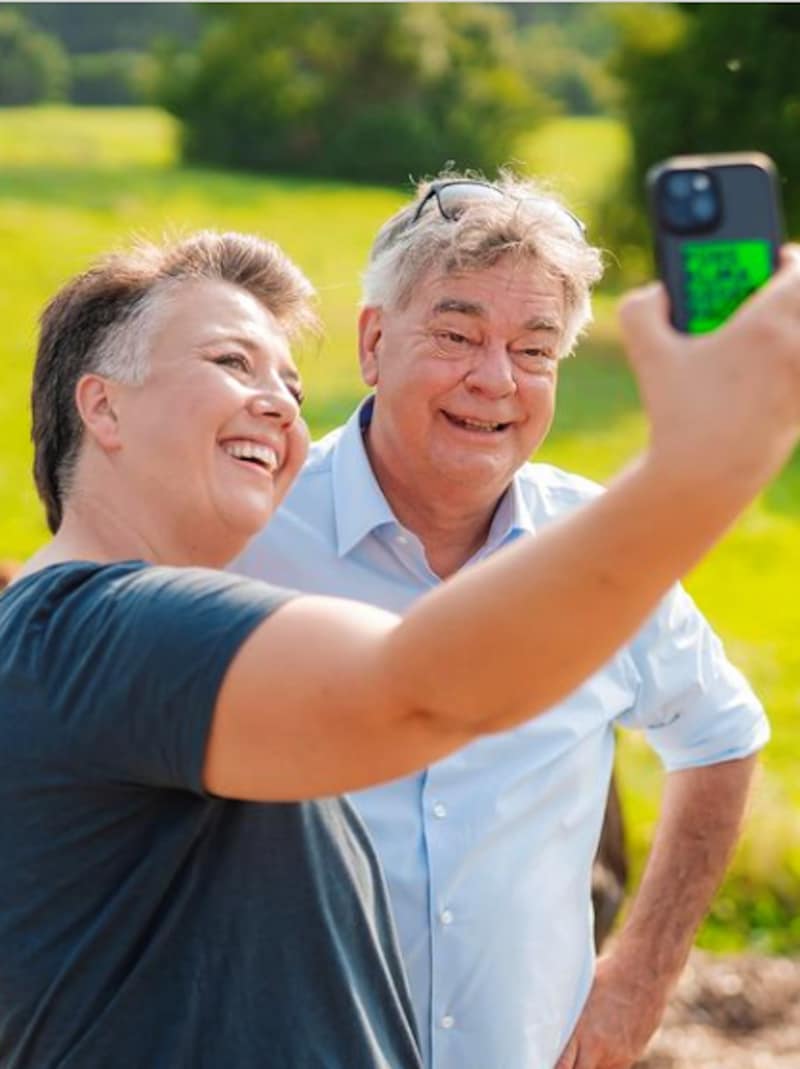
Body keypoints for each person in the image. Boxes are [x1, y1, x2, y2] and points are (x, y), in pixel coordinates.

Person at [1, 231, 799, 1069]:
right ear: (103, 406)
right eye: (232, 362)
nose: (278, 403)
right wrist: (708, 459)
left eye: (291, 383)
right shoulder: (106, 629)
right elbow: (419, 693)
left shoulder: (74, 642)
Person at [233, 176, 781, 1069]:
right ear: (374, 341)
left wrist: (643, 971)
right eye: (456, 335)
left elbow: (721, 735)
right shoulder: (247, 530)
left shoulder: (604, 546)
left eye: (535, 350)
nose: (495, 380)